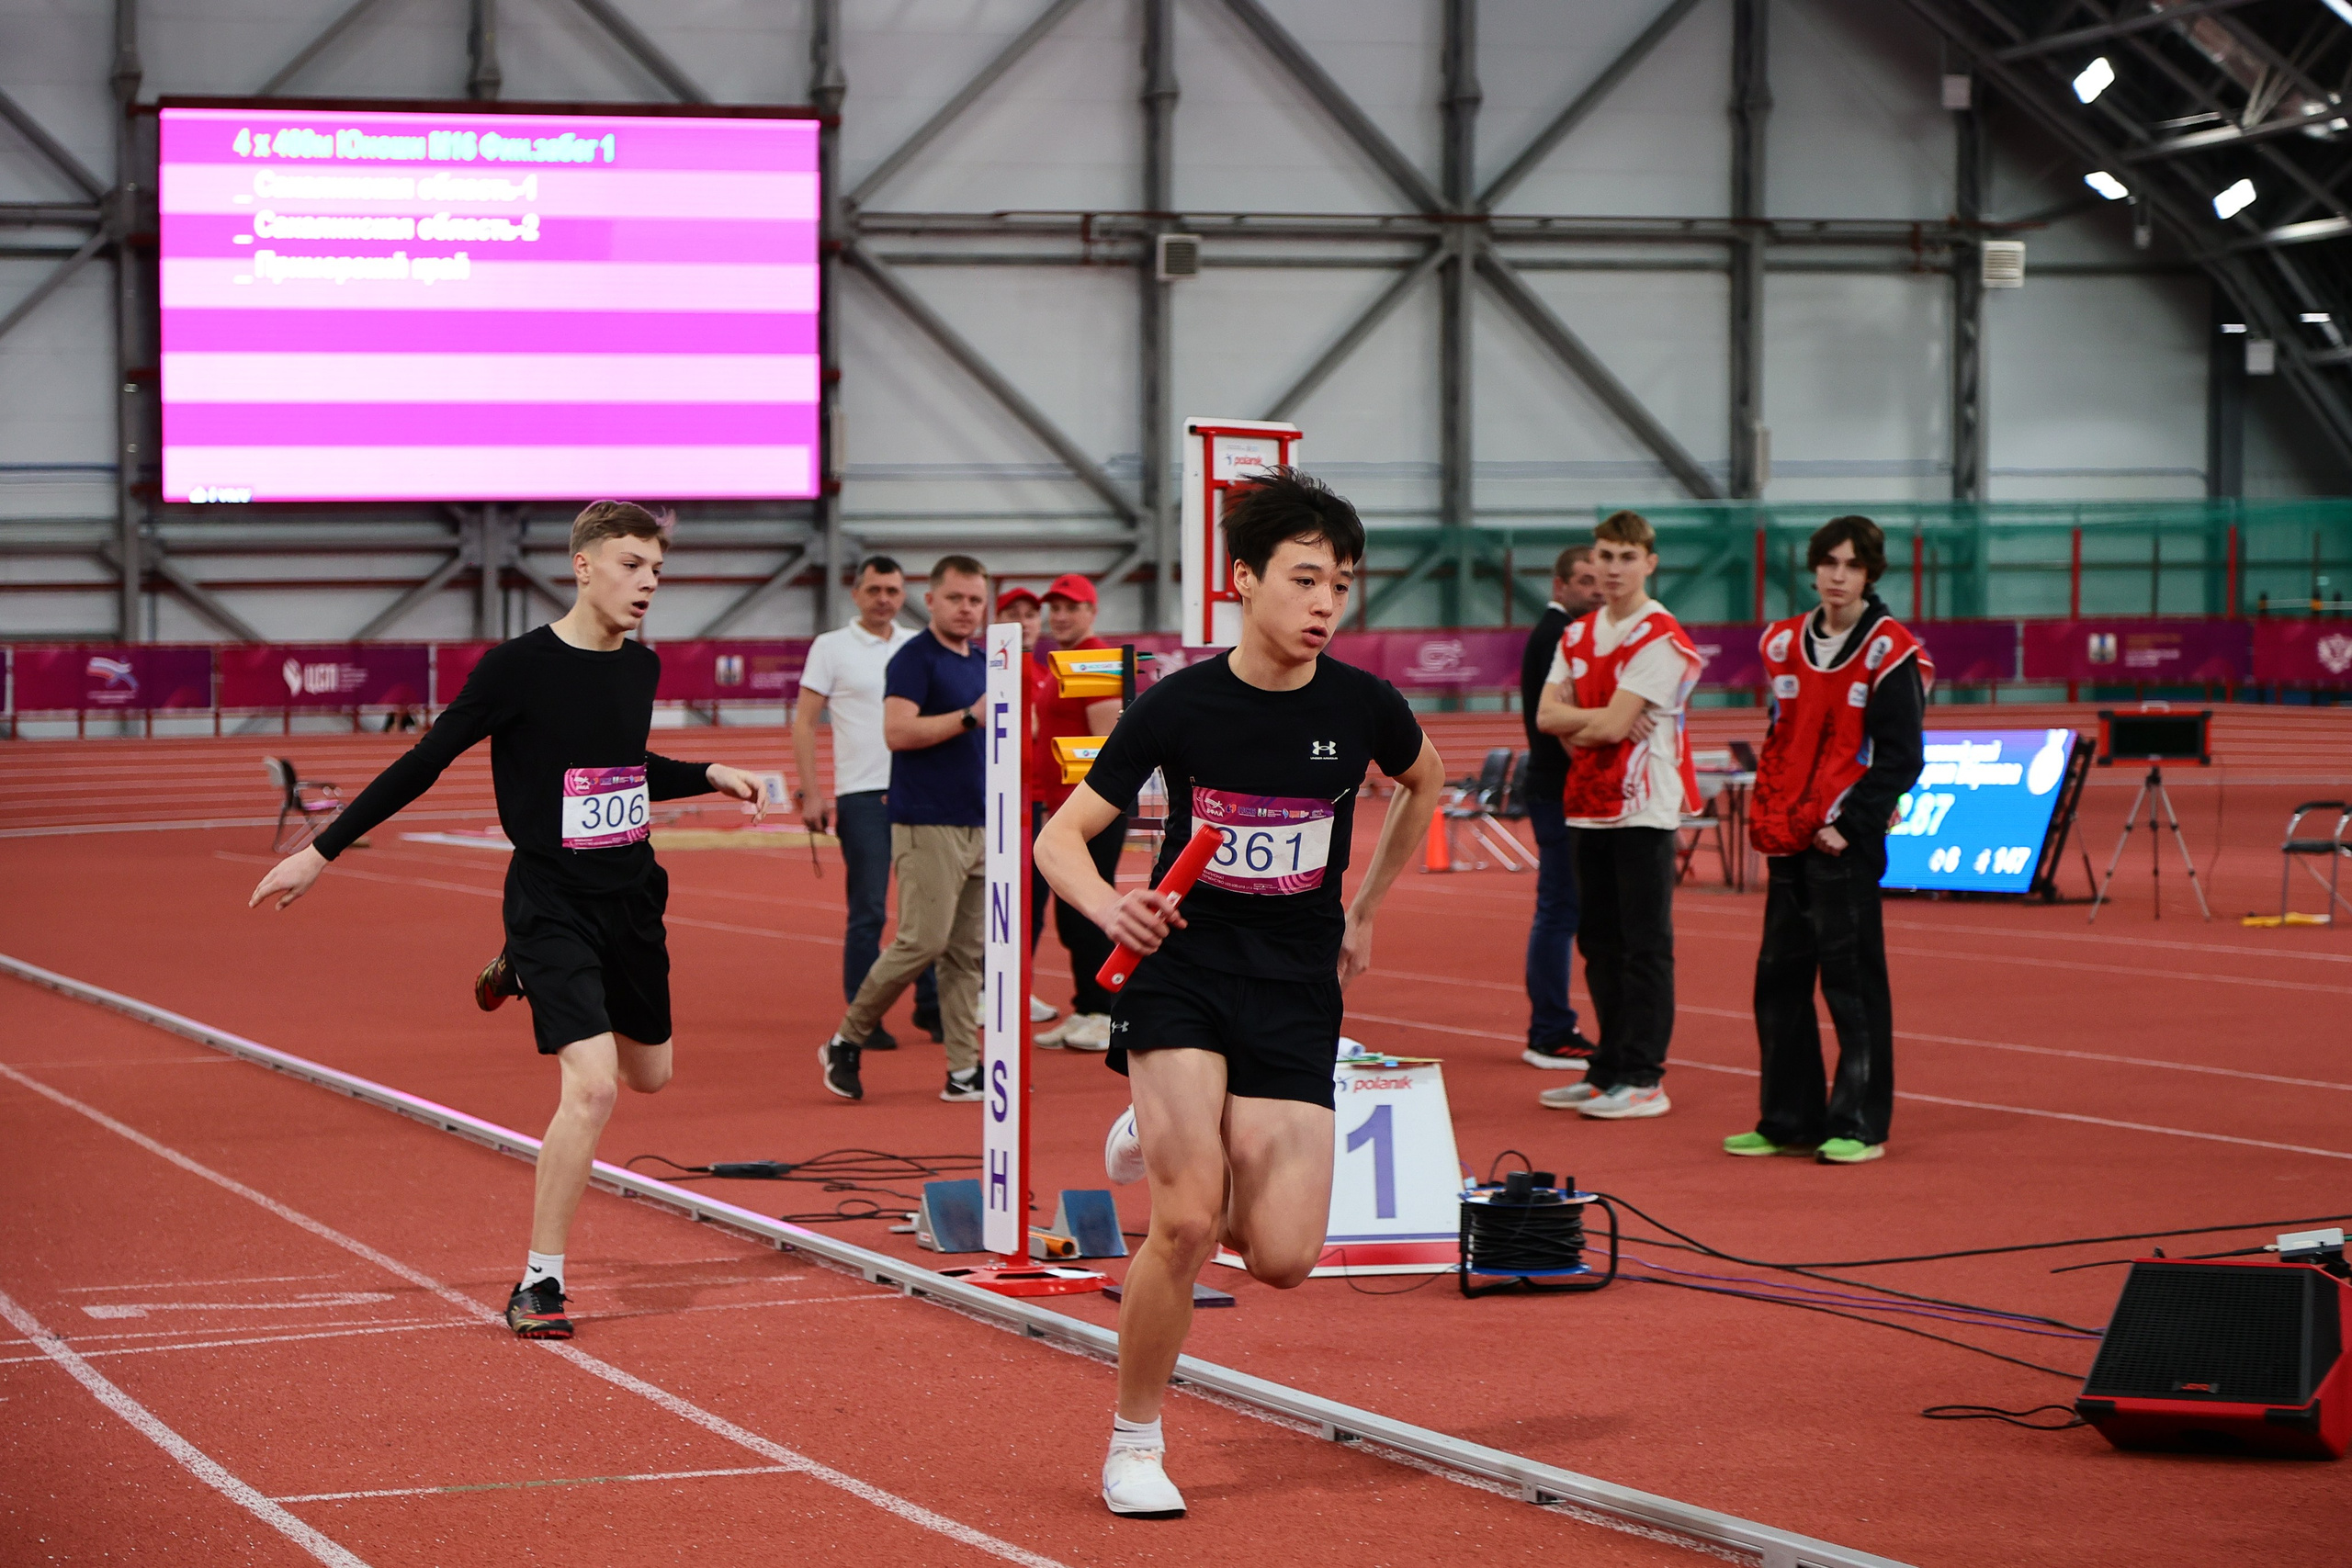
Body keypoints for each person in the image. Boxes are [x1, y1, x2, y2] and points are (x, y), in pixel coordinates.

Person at [244, 501, 771, 1341]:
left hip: (632, 896)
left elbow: (620, 766)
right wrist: (322, 850)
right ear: (585, 566)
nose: (648, 584)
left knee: (651, 1076)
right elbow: (425, 760)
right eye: (633, 565)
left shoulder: (641, 668)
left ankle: (517, 969)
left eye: (658, 571)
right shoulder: (515, 668)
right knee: (593, 1085)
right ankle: (541, 1281)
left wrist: (709, 770)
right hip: (551, 899)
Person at [1035, 468, 1445, 1518]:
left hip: (1297, 983)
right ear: (1243, 580)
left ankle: (1153, 1123)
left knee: (1285, 1257)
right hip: (1185, 974)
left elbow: (1427, 783)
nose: (1324, 603)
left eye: (1341, 585)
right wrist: (1109, 906)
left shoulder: (1363, 707)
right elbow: (1058, 838)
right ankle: (1134, 1442)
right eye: (1305, 579)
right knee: (1185, 1220)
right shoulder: (1179, 705)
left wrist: (1363, 908)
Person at [1731, 515, 1929, 1166]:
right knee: (1779, 981)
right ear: (1814, 567)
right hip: (1789, 836)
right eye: (1828, 563)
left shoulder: (1890, 649)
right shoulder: (1783, 642)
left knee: (1851, 983)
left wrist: (1851, 824)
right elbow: (1779, 736)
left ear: (1871, 572)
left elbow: (1902, 757)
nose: (1837, 575)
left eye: (1851, 564)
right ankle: (1788, 1116)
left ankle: (1860, 1121)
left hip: (1844, 841)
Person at [1534, 509, 1704, 1122]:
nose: (1612, 568)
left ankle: (1643, 1074)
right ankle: (1607, 1066)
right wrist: (1595, 720)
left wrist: (1587, 718)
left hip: (1644, 809)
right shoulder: (1577, 635)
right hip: (1586, 807)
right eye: (1604, 556)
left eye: (1626, 557)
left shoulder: (1659, 636)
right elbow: (1548, 720)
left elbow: (1590, 721)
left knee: (1643, 946)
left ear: (1649, 563)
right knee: (1598, 942)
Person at [817, 555, 991, 1104]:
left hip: (980, 822)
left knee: (967, 955)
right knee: (923, 940)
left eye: (976, 600)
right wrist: (969, 717)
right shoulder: (915, 659)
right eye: (957, 598)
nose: (967, 609)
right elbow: (896, 732)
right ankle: (847, 1038)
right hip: (926, 820)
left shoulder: (985, 661)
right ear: (933, 600)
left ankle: (963, 1070)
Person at [794, 555, 939, 1052]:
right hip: (861, 796)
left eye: (893, 591)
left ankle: (933, 1007)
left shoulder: (918, 647)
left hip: (920, 794)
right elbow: (804, 723)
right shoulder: (831, 647)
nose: (884, 599)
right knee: (869, 911)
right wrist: (812, 792)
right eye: (874, 589)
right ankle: (864, 1014)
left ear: (904, 596)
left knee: (929, 910)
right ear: (856, 594)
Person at [1030, 572, 1126, 1054]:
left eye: (1071, 607)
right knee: (1072, 914)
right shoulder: (1064, 662)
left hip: (1087, 811)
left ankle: (1104, 1011)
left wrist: (1075, 813)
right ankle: (1087, 1006)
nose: (1061, 616)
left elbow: (1104, 747)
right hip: (1065, 808)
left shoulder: (1092, 660)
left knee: (1086, 910)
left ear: (1091, 612)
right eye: (1056, 608)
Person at [1518, 544, 1603, 1069]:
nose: (1597, 589)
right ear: (1560, 585)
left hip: (1557, 789)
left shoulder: (1562, 635)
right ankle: (1549, 1030)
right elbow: (1559, 721)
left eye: (1601, 580)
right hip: (1560, 790)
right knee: (1559, 912)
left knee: (1562, 911)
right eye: (1586, 580)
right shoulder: (1557, 636)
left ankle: (1551, 1026)